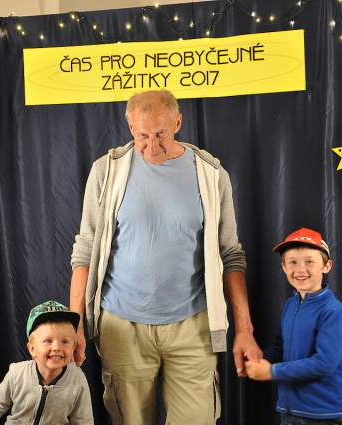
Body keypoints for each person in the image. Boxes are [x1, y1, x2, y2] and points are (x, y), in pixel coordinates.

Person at [69, 89, 261, 425]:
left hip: (193, 325)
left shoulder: (210, 173)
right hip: (122, 326)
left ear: (178, 123)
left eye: (161, 134)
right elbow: (85, 250)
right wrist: (75, 325)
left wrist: (244, 329)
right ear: (130, 127)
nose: (152, 146)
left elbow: (231, 255)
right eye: (142, 136)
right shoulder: (106, 171)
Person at [245, 228, 342, 425]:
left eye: (309, 261)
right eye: (293, 262)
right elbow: (280, 346)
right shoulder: (290, 304)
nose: (300, 269)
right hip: (290, 411)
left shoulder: (332, 311)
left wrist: (271, 371)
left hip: (323, 415)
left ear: (326, 266)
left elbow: (325, 363)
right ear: (284, 267)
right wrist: (258, 361)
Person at [0, 300, 94, 425]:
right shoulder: (17, 374)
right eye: (48, 341)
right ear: (32, 349)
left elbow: (84, 421)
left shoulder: (77, 379)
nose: (57, 347)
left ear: (73, 347)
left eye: (65, 341)